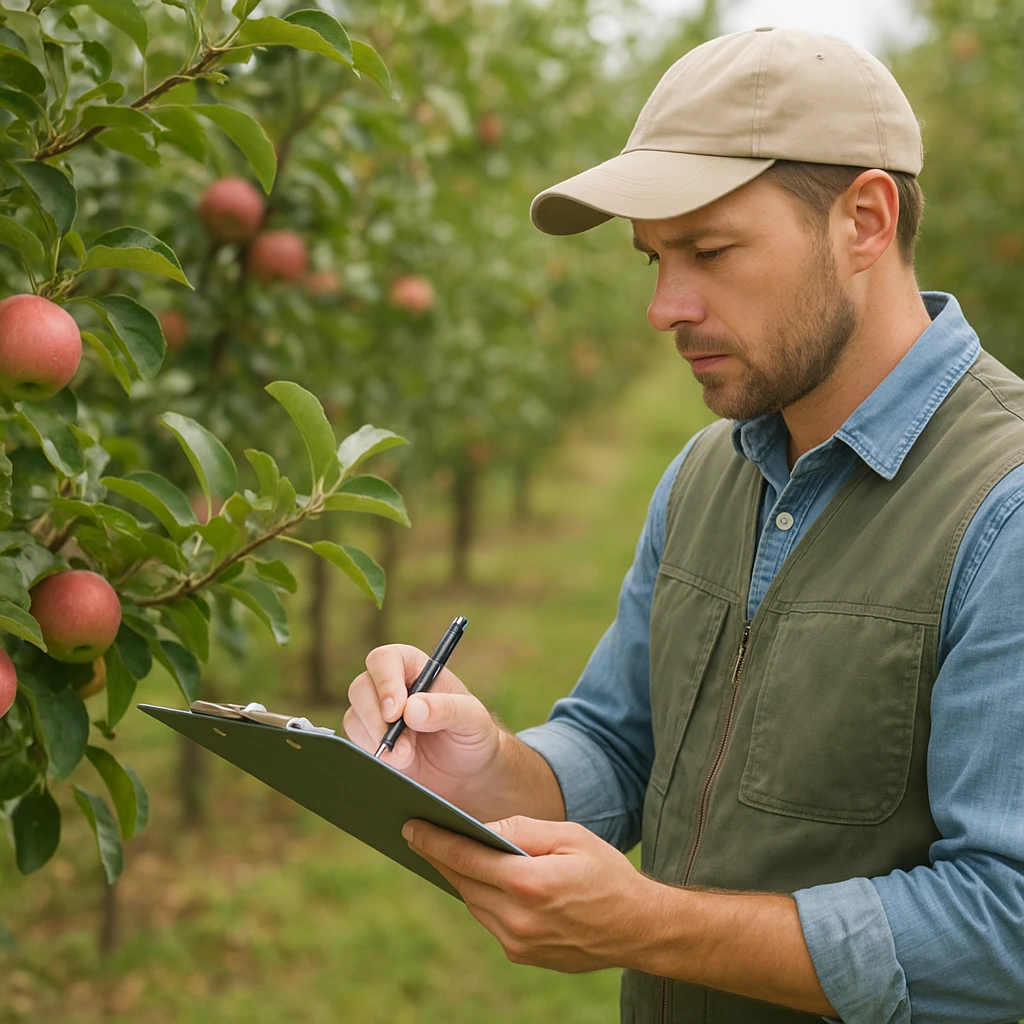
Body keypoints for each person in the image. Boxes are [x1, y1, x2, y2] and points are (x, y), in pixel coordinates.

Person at [344, 26, 1024, 1024]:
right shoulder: (711, 472)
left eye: (708, 250)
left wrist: (650, 924)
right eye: (654, 258)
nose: (665, 305)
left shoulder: (1000, 508)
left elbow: (1002, 927)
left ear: (865, 220)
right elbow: (621, 748)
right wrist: (485, 766)